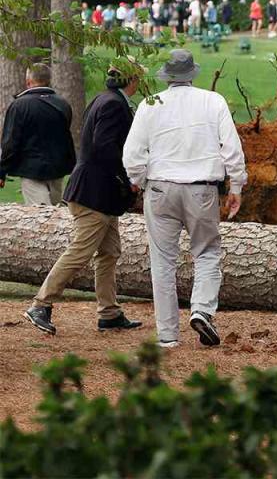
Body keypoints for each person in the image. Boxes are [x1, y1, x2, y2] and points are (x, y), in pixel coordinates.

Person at [122, 49, 247, 349]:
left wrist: (138, 180)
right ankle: (202, 309)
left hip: (161, 189)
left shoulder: (150, 105)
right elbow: (232, 148)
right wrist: (237, 186)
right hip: (201, 189)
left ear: (168, 76)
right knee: (206, 252)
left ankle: (167, 335)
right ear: (192, 74)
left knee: (162, 262)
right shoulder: (212, 101)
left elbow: (132, 154)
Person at [23, 67, 143, 336]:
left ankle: (109, 313)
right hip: (95, 193)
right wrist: (129, 177)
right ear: (132, 81)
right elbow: (105, 148)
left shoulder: (104, 99)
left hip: (101, 194)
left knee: (109, 252)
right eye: (138, 78)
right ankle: (41, 304)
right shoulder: (113, 105)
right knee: (80, 252)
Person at [0, 64, 75, 205]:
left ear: (28, 81)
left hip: (31, 170)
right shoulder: (63, 104)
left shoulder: (19, 106)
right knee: (55, 212)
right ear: (49, 80)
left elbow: (10, 142)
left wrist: (2, 170)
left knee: (41, 215)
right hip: (57, 169)